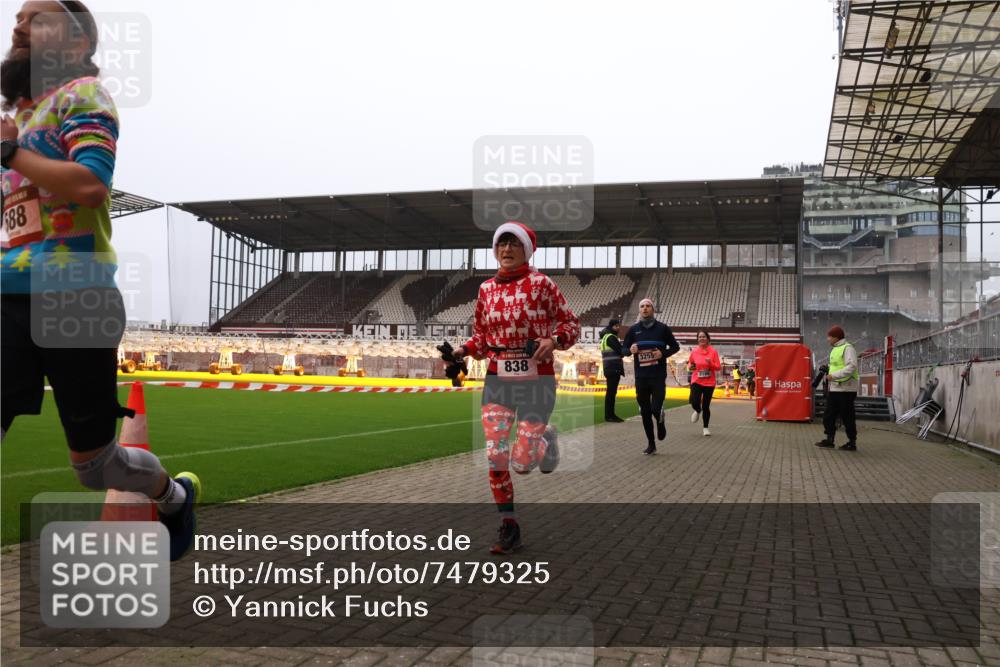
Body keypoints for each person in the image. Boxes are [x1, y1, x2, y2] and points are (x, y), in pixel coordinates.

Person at [0, 1, 199, 560]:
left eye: (39, 18)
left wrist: (11, 151)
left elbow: (90, 185)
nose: (20, 24)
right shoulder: (17, 119)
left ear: (79, 42)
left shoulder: (83, 95)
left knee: (95, 467)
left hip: (76, 298)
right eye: (19, 16)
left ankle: (173, 496)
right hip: (9, 295)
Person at [445, 221, 579, 554]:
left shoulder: (542, 284)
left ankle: (545, 439)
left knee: (521, 463)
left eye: (513, 243)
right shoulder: (486, 289)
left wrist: (554, 340)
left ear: (527, 250)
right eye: (501, 243)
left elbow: (571, 324)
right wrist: (462, 351)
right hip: (498, 380)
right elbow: (481, 337)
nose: (506, 249)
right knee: (495, 456)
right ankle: (509, 525)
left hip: (537, 380)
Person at [622, 299, 680, 455]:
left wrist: (663, 353)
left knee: (655, 409)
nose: (645, 308)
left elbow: (675, 347)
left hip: (658, 376)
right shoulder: (633, 330)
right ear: (639, 310)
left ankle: (660, 421)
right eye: (642, 306)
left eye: (648, 306)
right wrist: (630, 350)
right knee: (645, 412)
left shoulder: (662, 328)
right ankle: (651, 443)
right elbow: (623, 349)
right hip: (641, 377)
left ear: (653, 309)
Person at [814, 325, 859, 451]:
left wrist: (833, 375)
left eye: (830, 337)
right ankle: (829, 440)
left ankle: (852, 442)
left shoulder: (848, 348)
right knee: (829, 415)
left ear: (836, 337)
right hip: (835, 388)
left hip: (846, 389)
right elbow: (837, 366)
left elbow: (851, 367)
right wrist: (828, 368)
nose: (828, 339)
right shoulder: (835, 349)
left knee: (847, 416)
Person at [686, 330, 721, 436]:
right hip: (696, 380)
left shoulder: (713, 352)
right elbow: (690, 363)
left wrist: (711, 363)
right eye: (700, 337)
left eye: (704, 336)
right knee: (694, 401)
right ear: (697, 339)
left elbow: (718, 367)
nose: (702, 338)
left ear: (708, 339)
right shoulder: (694, 352)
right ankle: (697, 410)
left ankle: (705, 428)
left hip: (709, 382)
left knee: (706, 406)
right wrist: (690, 366)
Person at [599, 317, 625, 422]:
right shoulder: (611, 337)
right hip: (613, 367)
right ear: (611, 326)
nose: (618, 328)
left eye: (619, 326)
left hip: (608, 367)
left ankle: (609, 415)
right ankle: (610, 416)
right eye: (616, 326)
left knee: (610, 392)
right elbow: (621, 352)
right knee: (611, 393)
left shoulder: (605, 337)